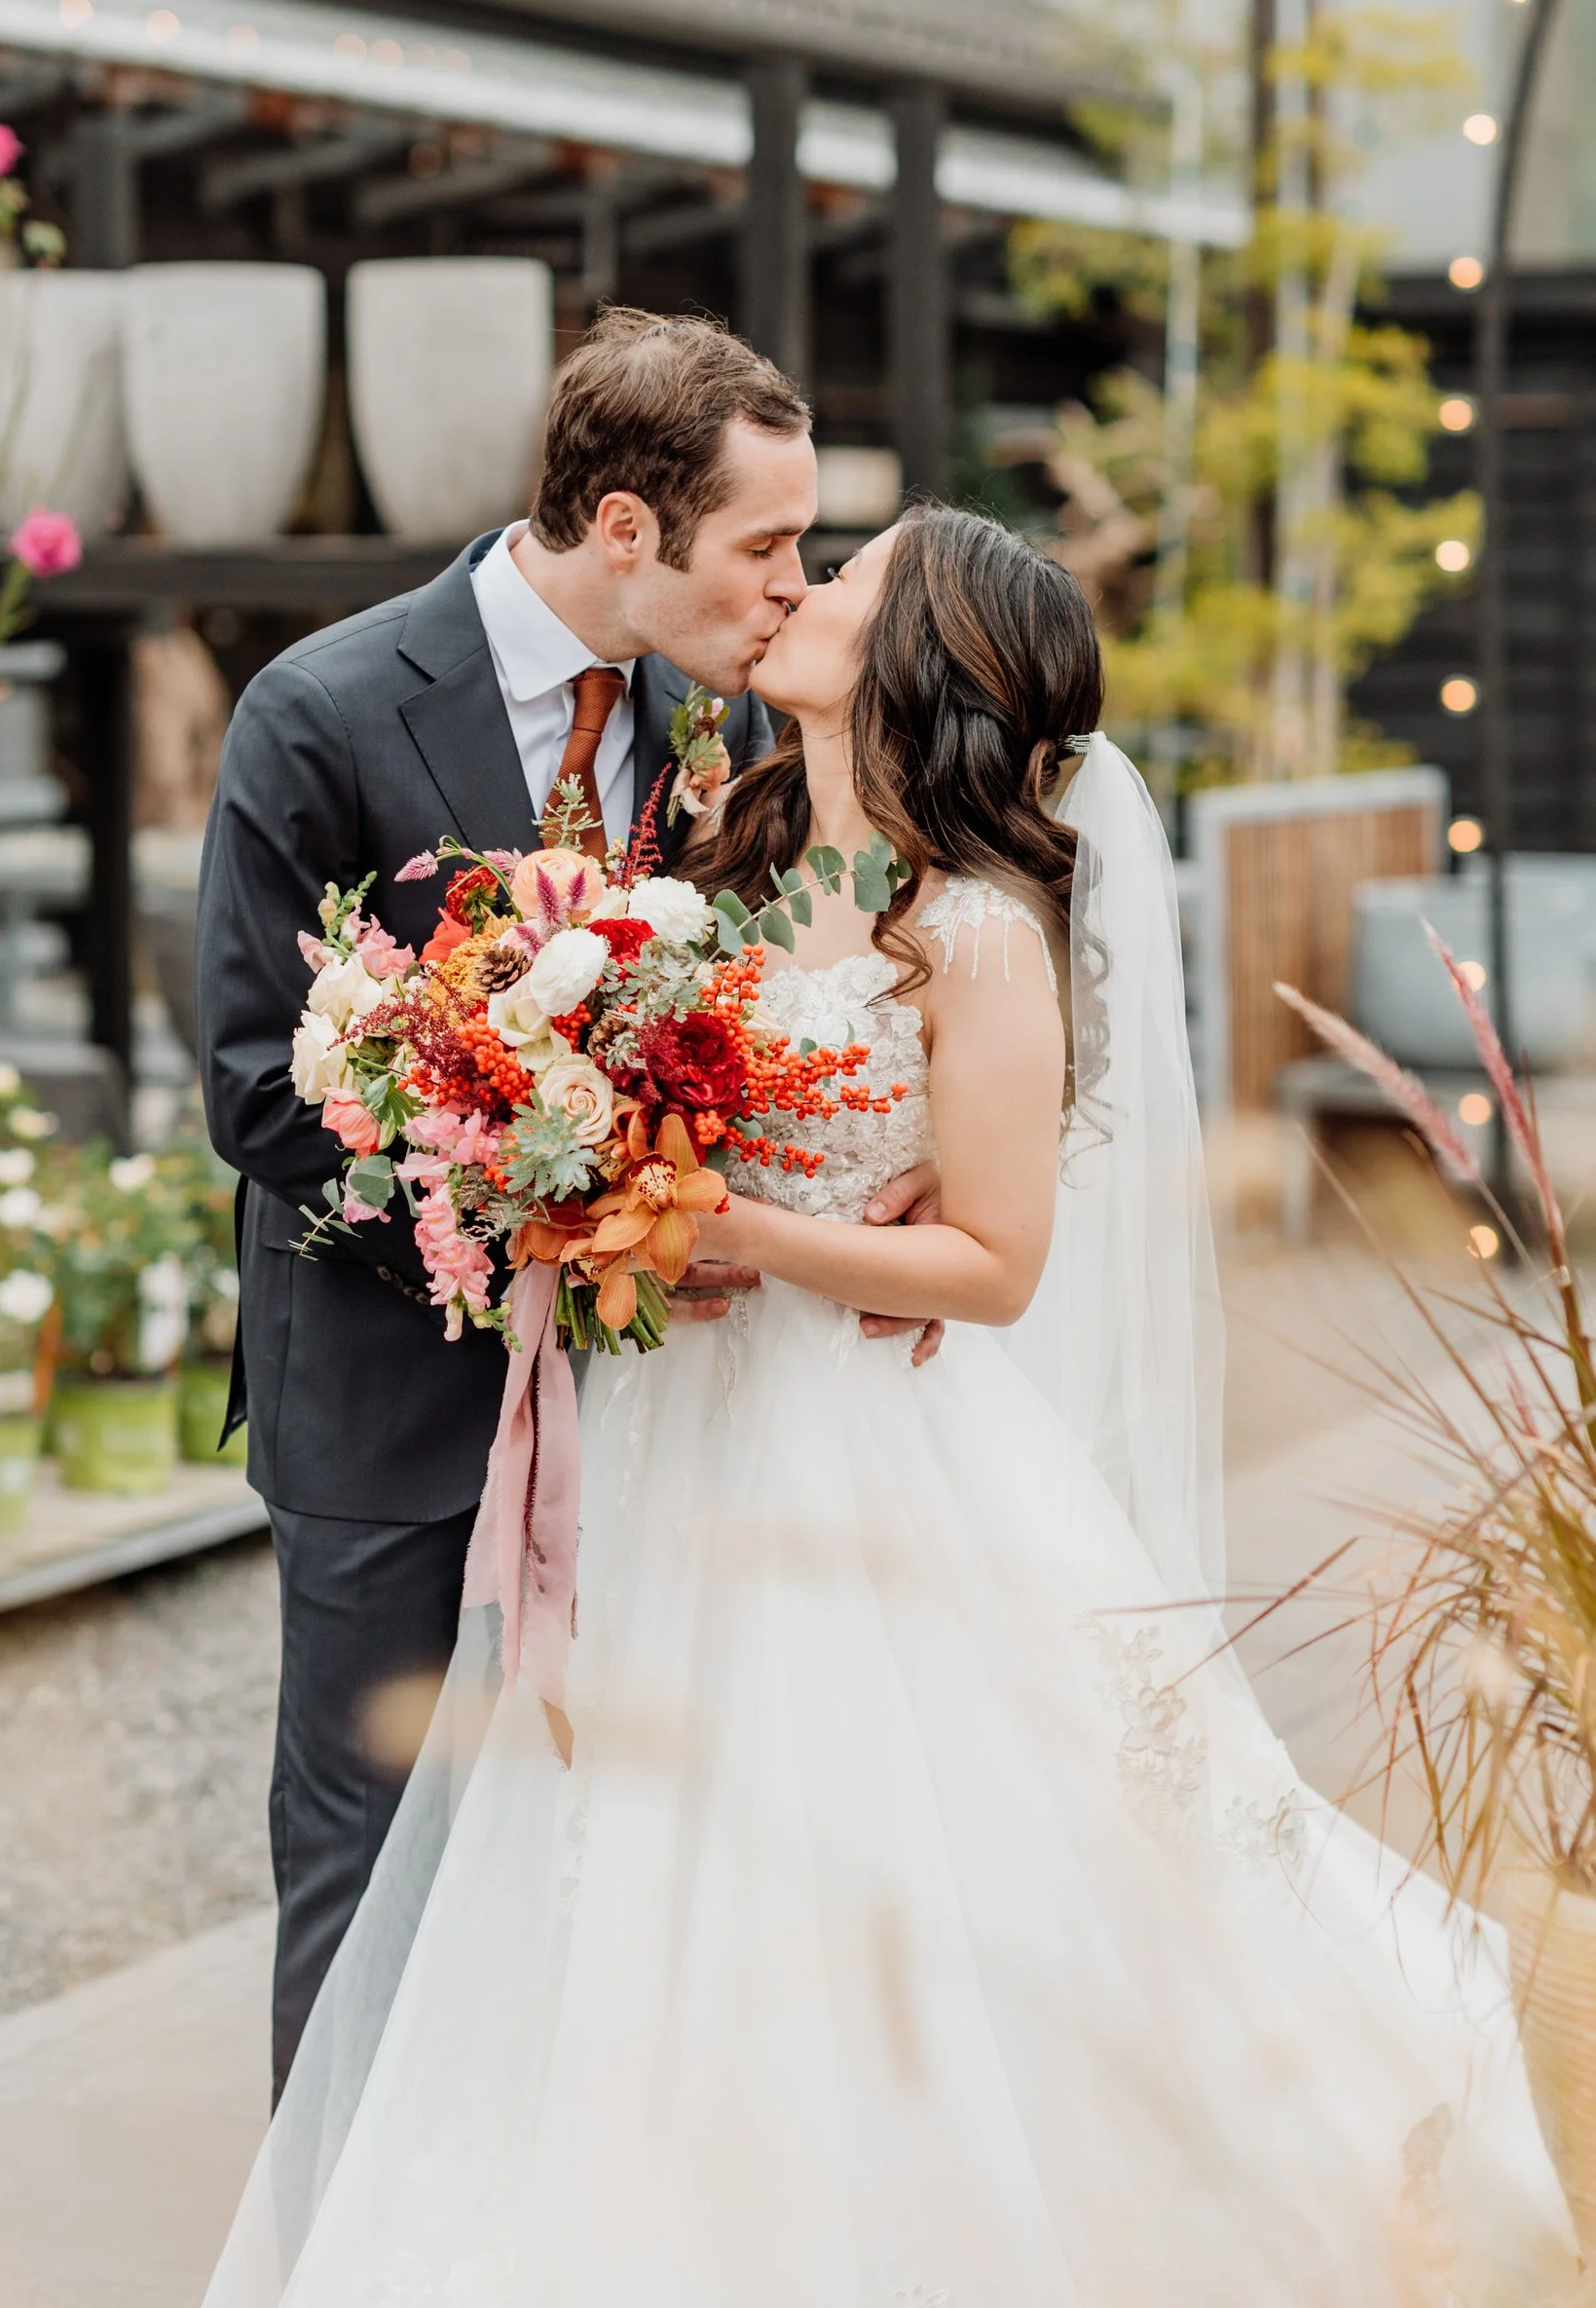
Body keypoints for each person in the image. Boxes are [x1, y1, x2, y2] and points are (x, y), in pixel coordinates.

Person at [203, 505, 1571, 2305]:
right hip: (663, 1433)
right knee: (627, 1860)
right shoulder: (728, 841)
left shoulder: (980, 932)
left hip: (847, 1446)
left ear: (916, 654)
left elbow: (996, 1261)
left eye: (840, 577)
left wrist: (730, 1224)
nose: (796, 588)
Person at [195, 310, 942, 2103]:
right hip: (385, 1393)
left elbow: (777, 993)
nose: (791, 586)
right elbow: (251, 1085)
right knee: (366, 1857)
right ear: (626, 528)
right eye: (763, 545)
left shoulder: (722, 719)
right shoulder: (322, 708)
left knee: (595, 1851)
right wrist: (544, 1234)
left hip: (660, 1413)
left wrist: (853, 1168)